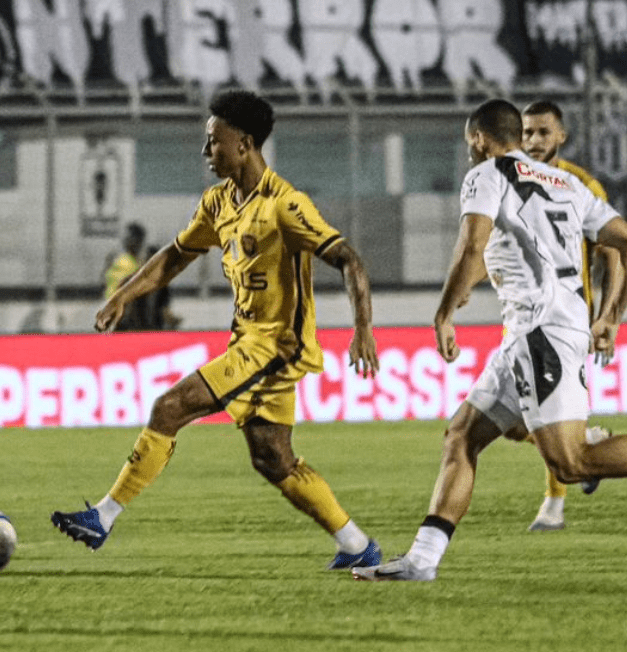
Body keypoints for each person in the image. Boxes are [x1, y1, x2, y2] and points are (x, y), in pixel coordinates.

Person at [352, 99, 627, 583]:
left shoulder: (486, 174)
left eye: (469, 143)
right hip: (541, 330)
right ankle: (422, 560)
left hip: (540, 331)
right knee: (461, 435)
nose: (469, 151)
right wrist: (612, 317)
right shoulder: (567, 183)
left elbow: (471, 245)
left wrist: (444, 311)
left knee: (571, 463)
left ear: (479, 138)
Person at [51, 89, 383, 570]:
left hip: (274, 347)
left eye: (214, 142)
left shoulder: (286, 206)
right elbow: (174, 256)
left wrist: (363, 328)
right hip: (247, 341)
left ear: (245, 143)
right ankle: (357, 546)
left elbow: (348, 258)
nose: (206, 152)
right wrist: (122, 295)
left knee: (170, 407)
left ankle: (102, 516)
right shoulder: (218, 202)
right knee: (272, 458)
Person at [520, 100, 620, 532]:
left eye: (543, 132)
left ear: (561, 136)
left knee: (543, 411)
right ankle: (590, 448)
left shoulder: (582, 185)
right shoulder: (508, 179)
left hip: (565, 318)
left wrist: (607, 317)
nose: (534, 141)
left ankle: (553, 505)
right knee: (519, 420)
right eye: (527, 133)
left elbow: (611, 253)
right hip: (520, 316)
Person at [101, 222, 146, 330]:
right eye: (126, 236)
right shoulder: (119, 260)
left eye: (129, 237)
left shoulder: (137, 265)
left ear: (138, 240)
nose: (125, 239)